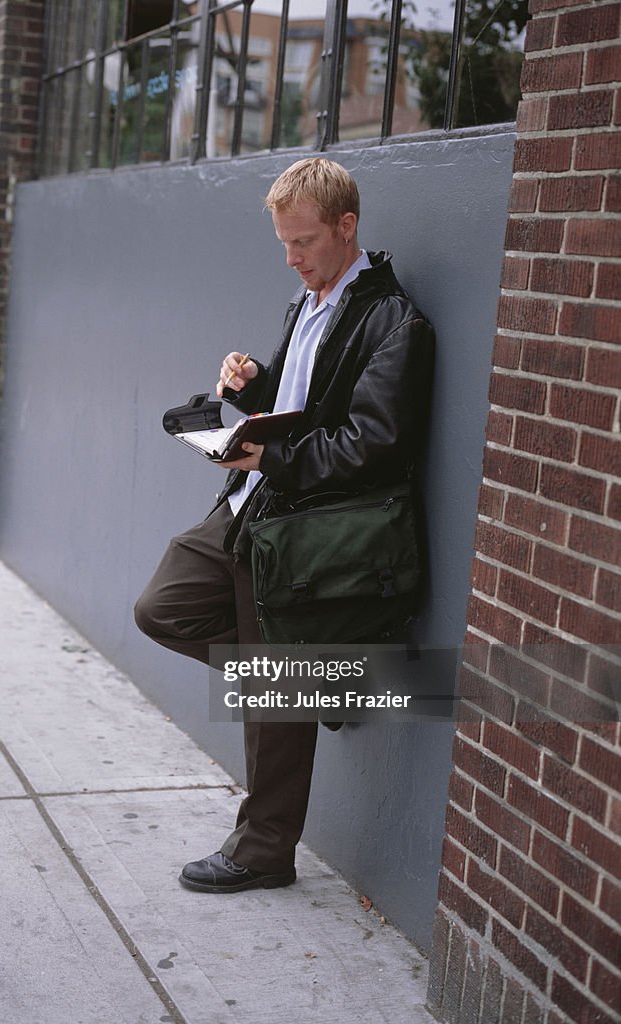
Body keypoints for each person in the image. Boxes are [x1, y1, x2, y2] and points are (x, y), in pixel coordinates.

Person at [135, 157, 434, 893]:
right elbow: (308, 403)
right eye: (283, 245)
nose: (293, 258)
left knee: (276, 688)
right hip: (253, 509)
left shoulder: (395, 323)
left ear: (347, 227)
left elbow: (370, 445)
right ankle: (314, 685)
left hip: (303, 535)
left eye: (303, 242)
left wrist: (268, 457)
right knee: (163, 608)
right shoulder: (308, 303)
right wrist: (255, 384)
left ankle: (264, 849)